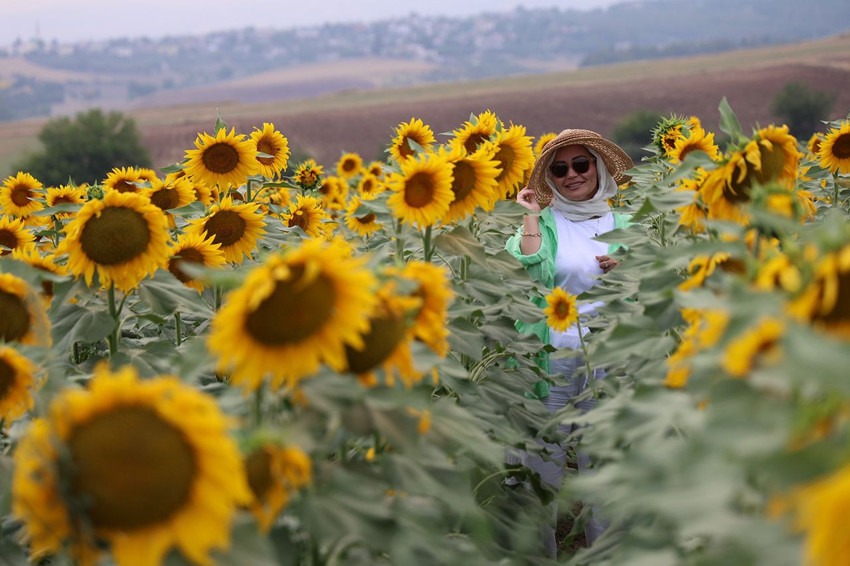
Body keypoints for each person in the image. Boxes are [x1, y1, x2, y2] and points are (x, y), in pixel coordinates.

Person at [505, 129, 633, 555]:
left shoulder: (627, 223)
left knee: (606, 466)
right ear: (552, 180)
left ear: (597, 167)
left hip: (609, 357)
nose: (572, 175)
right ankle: (539, 556)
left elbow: (653, 279)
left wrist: (626, 268)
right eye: (560, 169)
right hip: (553, 356)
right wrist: (530, 214)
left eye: (581, 164)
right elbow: (531, 265)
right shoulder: (544, 223)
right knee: (543, 461)